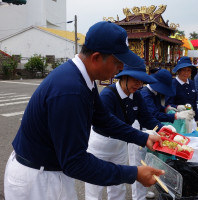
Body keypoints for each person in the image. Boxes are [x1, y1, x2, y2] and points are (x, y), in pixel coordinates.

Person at [4, 21, 164, 200]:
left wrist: (144, 137)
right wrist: (133, 173)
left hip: (48, 170)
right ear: (96, 58)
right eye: (118, 62)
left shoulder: (82, 77)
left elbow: (103, 118)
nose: (121, 69)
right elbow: (75, 163)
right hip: (38, 180)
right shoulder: (71, 91)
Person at [85, 63, 167, 200]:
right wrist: (142, 136)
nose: (138, 84)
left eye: (141, 81)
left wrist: (164, 128)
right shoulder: (107, 95)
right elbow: (111, 126)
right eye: (135, 80)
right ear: (123, 77)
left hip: (120, 145)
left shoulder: (137, 96)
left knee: (118, 186)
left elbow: (146, 118)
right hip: (100, 145)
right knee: (95, 188)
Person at [166, 56, 198, 132]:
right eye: (184, 70)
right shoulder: (172, 84)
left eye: (189, 70)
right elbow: (168, 105)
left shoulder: (191, 83)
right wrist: (177, 107)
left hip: (191, 119)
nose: (186, 73)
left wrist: (197, 119)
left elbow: (194, 104)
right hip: (177, 120)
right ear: (178, 71)